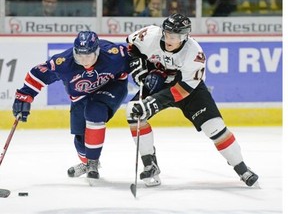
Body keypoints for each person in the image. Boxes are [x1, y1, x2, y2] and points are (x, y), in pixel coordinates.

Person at [126, 13, 259, 187]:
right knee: (134, 111)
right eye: (166, 33)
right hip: (158, 81)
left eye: (174, 36)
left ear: (184, 36)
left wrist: (154, 103)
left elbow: (183, 89)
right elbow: (131, 45)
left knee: (215, 127)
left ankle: (242, 168)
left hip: (188, 90)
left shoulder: (194, 53)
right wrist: (137, 64)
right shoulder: (149, 35)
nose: (168, 39)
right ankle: (150, 165)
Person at [12, 31, 131, 186]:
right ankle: (88, 162)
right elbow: (37, 75)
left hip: (112, 86)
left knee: (95, 112)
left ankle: (92, 162)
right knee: (80, 140)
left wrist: (144, 74)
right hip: (80, 96)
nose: (84, 61)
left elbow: (136, 60)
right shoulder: (64, 63)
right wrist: (23, 97)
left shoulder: (113, 54)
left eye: (88, 56)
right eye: (80, 56)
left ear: (97, 51)